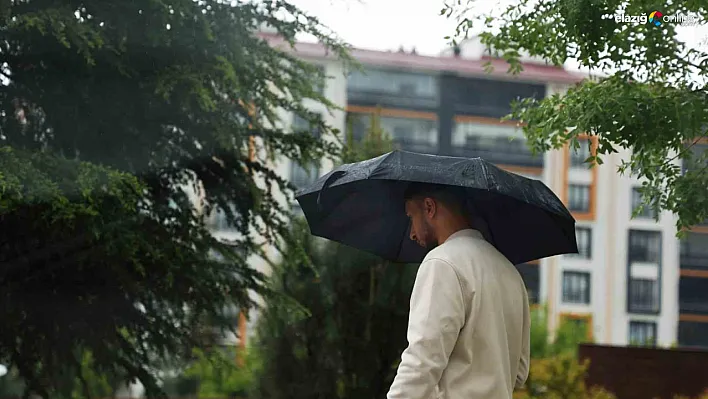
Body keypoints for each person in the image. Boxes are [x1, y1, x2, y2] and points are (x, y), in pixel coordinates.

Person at [387, 182, 530, 399]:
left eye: (411, 218)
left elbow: (422, 362)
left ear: (429, 207)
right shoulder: (510, 272)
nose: (412, 234)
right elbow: (520, 372)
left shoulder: (442, 263)